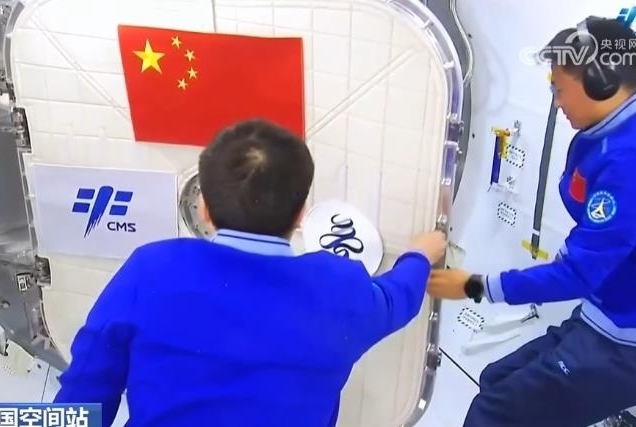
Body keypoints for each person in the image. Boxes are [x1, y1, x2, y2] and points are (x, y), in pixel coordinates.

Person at [53, 118, 447, 427]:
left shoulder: (151, 269)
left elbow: (83, 394)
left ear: (203, 209)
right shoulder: (340, 288)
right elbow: (398, 297)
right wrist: (419, 255)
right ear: (301, 215)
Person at [427, 16, 636, 427]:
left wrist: (474, 286)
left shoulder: (633, 162)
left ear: (600, 83)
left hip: (631, 345)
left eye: (560, 89)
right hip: (606, 315)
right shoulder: (614, 129)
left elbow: (577, 274)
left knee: (491, 414)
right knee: (495, 379)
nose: (556, 102)